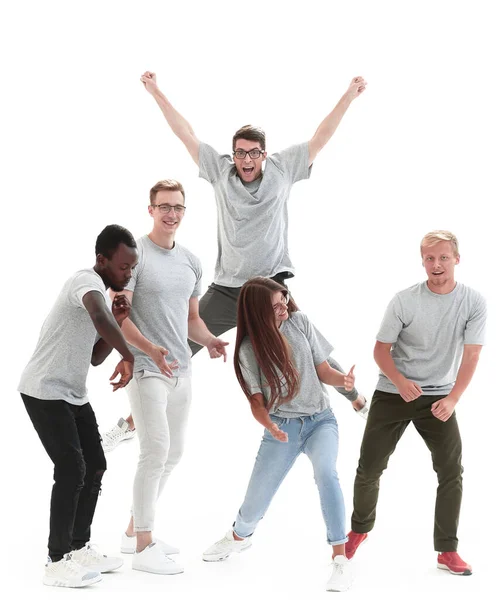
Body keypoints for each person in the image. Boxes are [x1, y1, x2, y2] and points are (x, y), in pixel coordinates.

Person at [102, 71, 368, 451]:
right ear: (233, 154)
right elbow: (186, 134)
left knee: (309, 348)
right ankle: (129, 424)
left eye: (254, 152)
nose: (247, 159)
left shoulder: (282, 169)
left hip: (271, 290)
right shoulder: (220, 171)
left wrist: (348, 96)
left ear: (264, 154)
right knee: (177, 348)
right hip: (227, 290)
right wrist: (156, 91)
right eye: (240, 152)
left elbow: (320, 138)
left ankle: (357, 399)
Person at [345, 231, 487, 576]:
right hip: (394, 392)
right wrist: (400, 381)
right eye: (429, 258)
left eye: (443, 258)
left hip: (439, 395)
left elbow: (471, 356)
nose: (436, 265)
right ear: (422, 260)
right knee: (370, 467)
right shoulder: (404, 300)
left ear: (456, 259)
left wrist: (452, 398)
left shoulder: (473, 302)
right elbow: (380, 349)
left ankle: (447, 551)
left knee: (451, 470)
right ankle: (359, 529)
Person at [202, 277, 357, 592]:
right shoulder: (249, 349)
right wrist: (270, 426)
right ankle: (238, 537)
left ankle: (340, 558)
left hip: (320, 421)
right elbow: (257, 403)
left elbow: (323, 370)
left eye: (283, 298)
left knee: (326, 473)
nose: (284, 305)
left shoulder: (299, 322)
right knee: (255, 500)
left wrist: (344, 381)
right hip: (281, 428)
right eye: (275, 304)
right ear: (259, 311)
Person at [112, 179, 228, 575]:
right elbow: (119, 314)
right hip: (147, 368)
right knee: (154, 449)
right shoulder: (135, 255)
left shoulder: (191, 261)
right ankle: (144, 547)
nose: (171, 214)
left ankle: (132, 531)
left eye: (177, 207)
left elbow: (192, 320)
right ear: (150, 210)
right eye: (164, 206)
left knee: (173, 452)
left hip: (181, 369)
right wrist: (148, 349)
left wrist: (211, 340)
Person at [18, 225, 138, 588]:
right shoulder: (84, 281)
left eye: (132, 268)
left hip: (72, 393)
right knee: (71, 469)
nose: (128, 274)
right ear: (101, 260)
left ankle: (79, 545)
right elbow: (99, 318)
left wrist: (118, 321)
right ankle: (56, 561)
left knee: (95, 464)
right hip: (43, 390)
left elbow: (96, 357)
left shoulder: (101, 294)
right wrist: (130, 353)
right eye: (122, 267)